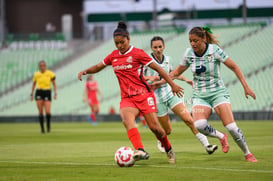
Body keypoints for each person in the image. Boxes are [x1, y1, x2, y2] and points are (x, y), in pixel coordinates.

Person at [78, 22, 184, 164]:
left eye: (122, 42)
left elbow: (159, 69)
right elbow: (98, 67)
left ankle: (168, 149)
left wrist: (173, 85)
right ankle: (140, 150)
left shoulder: (138, 53)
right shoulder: (113, 56)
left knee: (155, 128)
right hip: (127, 98)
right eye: (116, 43)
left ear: (128, 39)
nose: (120, 46)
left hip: (144, 95)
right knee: (127, 121)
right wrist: (85, 71)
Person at [169, 26, 257, 162]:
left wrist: (246, 87)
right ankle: (221, 137)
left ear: (203, 39)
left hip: (218, 93)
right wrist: (161, 81)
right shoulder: (188, 53)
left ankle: (247, 153)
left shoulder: (214, 50)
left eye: (195, 40)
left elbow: (234, 67)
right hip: (200, 96)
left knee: (231, 127)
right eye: (190, 41)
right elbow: (175, 73)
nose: (192, 44)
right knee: (198, 125)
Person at [144, 36, 217, 154]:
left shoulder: (168, 59)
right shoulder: (146, 61)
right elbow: (137, 77)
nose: (158, 49)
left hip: (170, 93)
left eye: (160, 46)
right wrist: (149, 78)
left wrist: (186, 80)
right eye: (155, 47)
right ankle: (161, 139)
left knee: (189, 120)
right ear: (151, 48)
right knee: (167, 130)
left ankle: (207, 145)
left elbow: (173, 74)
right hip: (157, 98)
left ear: (164, 46)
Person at [31, 61, 57, 133]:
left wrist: (55, 93)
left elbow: (54, 84)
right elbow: (34, 84)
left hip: (47, 92)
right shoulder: (36, 74)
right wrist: (31, 94)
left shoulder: (50, 73)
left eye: (43, 65)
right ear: (39, 67)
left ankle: (48, 126)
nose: (42, 67)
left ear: (45, 66)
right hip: (39, 92)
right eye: (41, 66)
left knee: (47, 111)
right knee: (40, 112)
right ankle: (42, 129)